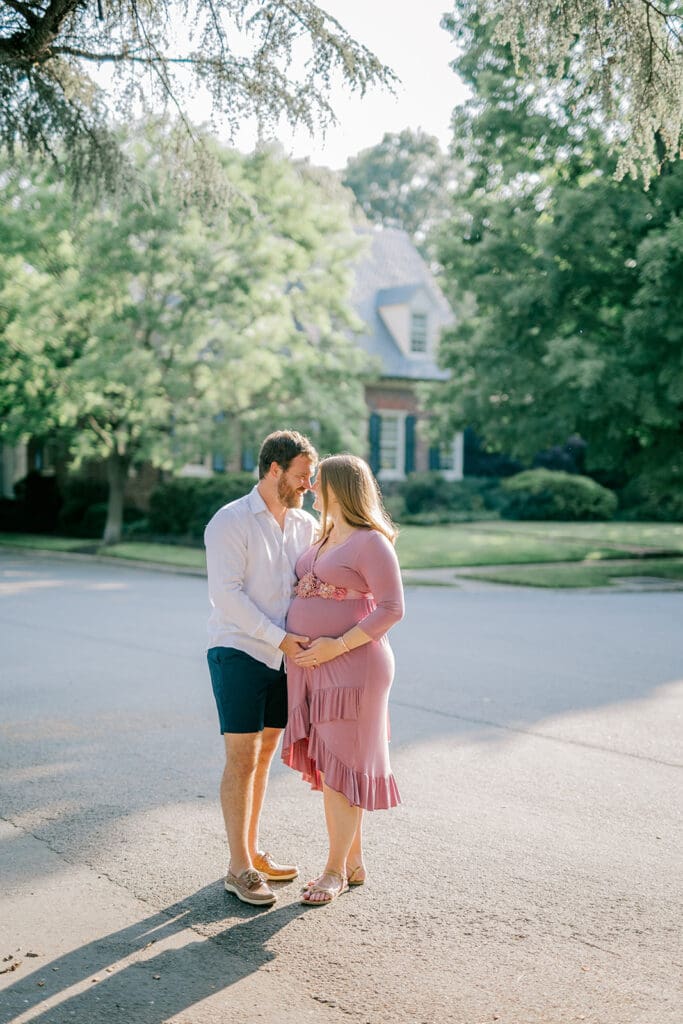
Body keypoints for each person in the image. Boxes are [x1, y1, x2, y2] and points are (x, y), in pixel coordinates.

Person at [281, 453, 405, 906]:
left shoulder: (372, 543)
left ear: (340, 489)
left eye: (319, 483)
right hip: (315, 667)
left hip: (354, 666)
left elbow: (392, 609)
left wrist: (337, 645)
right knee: (336, 766)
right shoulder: (325, 536)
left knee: (342, 770)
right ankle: (352, 862)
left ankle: (332, 871)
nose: (312, 488)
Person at [204, 430, 318, 907]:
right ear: (275, 469)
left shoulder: (304, 525)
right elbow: (226, 596)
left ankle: (251, 852)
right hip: (240, 652)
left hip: (284, 658)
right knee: (242, 759)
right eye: (302, 476)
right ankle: (238, 868)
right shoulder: (230, 521)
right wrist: (279, 638)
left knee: (266, 755)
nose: (308, 486)